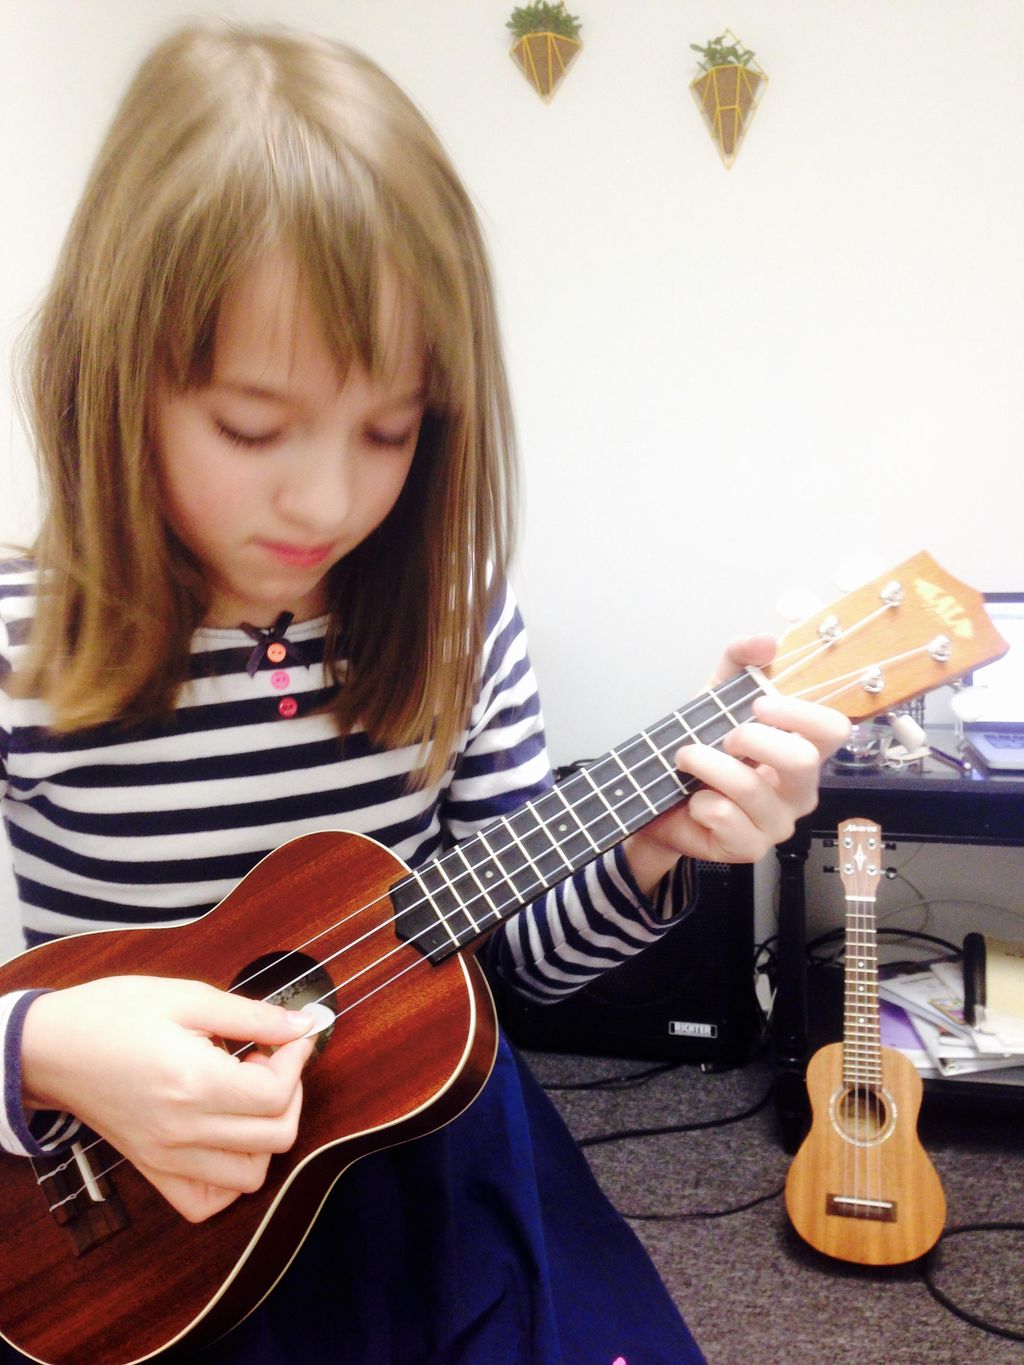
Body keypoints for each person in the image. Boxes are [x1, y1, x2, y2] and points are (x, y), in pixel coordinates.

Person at [0, 21, 848, 1365]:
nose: (329, 498)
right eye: (251, 425)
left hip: (413, 1165)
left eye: (388, 429)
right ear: (118, 375)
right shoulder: (19, 641)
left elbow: (522, 957)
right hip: (128, 1210)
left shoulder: (454, 618)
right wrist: (40, 1048)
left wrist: (652, 843)